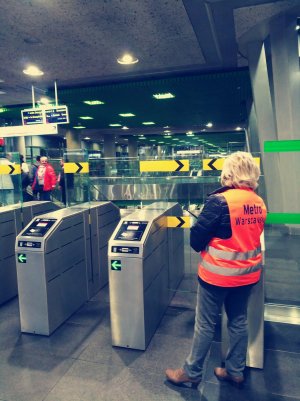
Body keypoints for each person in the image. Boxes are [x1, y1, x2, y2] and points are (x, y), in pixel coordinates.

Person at [165, 151, 267, 388]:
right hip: (248, 275)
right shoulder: (258, 202)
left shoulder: (220, 201)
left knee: (205, 324)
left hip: (217, 275)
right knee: (238, 320)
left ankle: (191, 371)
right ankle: (235, 370)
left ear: (229, 172)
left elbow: (196, 238)